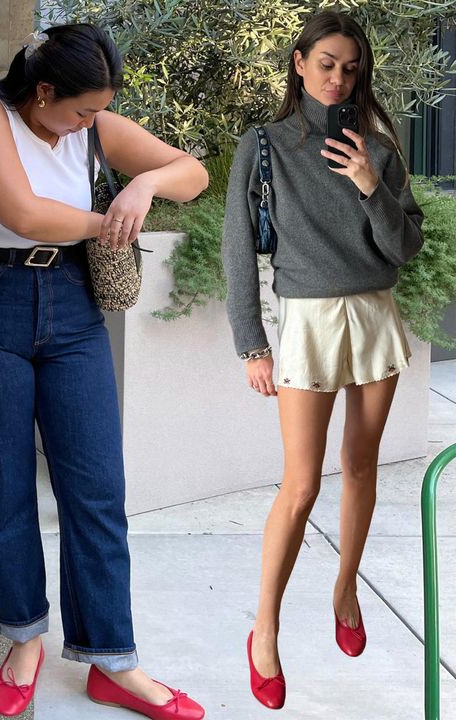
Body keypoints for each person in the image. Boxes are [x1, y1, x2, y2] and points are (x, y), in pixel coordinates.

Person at [0, 24, 210, 720]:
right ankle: (24, 636)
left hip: (71, 305)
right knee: (3, 483)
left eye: (99, 113)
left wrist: (144, 182)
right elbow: (22, 213)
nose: (91, 126)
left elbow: (194, 175)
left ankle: (112, 660)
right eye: (82, 111)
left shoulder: (91, 124)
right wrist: (108, 218)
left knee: (96, 487)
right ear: (44, 90)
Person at [222, 10, 424, 710]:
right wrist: (251, 341)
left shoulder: (379, 148)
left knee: (361, 469)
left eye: (351, 67)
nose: (340, 77)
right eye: (328, 63)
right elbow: (235, 248)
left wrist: (371, 184)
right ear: (300, 62)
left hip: (373, 316)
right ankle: (267, 628)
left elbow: (403, 250)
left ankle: (344, 590)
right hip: (307, 322)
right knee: (300, 485)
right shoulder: (266, 145)